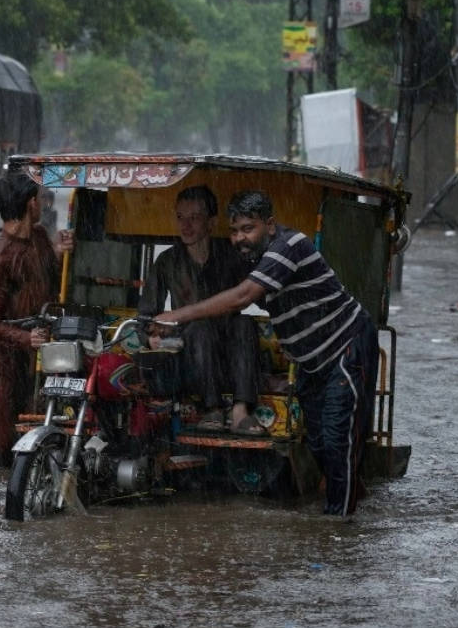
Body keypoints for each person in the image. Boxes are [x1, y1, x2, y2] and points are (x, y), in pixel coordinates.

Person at [156, 190, 379, 517]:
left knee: (335, 442)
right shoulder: (249, 259)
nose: (240, 238)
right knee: (316, 443)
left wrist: (178, 314)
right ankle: (349, 492)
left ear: (270, 225)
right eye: (234, 232)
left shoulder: (288, 246)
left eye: (248, 229)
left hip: (346, 346)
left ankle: (337, 529)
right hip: (309, 361)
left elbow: (242, 297)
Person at [138, 185, 263, 435]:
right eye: (181, 217)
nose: (186, 225)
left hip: (231, 359)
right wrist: (151, 337)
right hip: (190, 359)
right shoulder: (167, 262)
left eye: (194, 217)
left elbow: (257, 294)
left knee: (244, 323)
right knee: (201, 327)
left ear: (212, 222)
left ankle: (240, 412)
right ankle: (212, 409)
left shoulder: (232, 255)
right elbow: (145, 317)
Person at [0, 169, 75, 468]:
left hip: (47, 359)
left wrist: (63, 252)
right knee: (7, 451)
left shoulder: (39, 237)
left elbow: (53, 280)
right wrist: (26, 339)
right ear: (30, 203)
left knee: (47, 438)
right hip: (10, 366)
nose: (44, 203)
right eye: (40, 198)